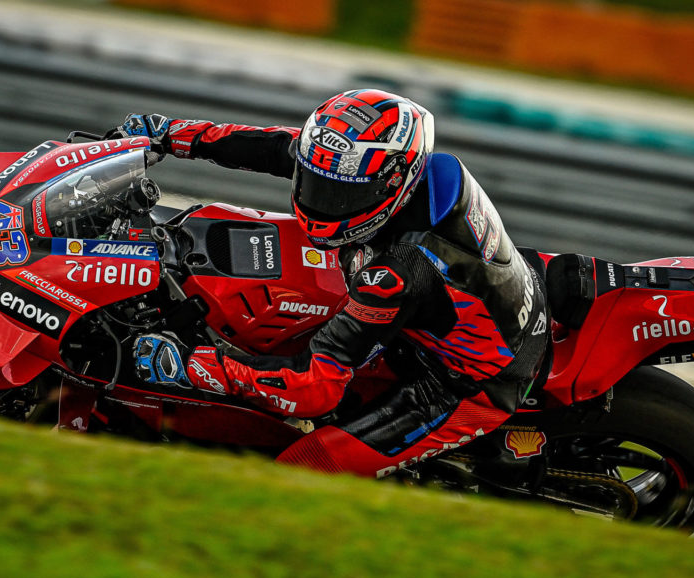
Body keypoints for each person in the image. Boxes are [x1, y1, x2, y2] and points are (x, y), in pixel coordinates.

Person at [124, 89, 548, 478]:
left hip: (467, 381)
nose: (322, 201)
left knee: (299, 470)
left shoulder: (396, 270)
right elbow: (273, 147)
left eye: (340, 195)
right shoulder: (388, 169)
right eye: (315, 183)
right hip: (476, 303)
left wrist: (190, 365)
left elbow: (317, 387)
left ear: (392, 182)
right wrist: (168, 135)